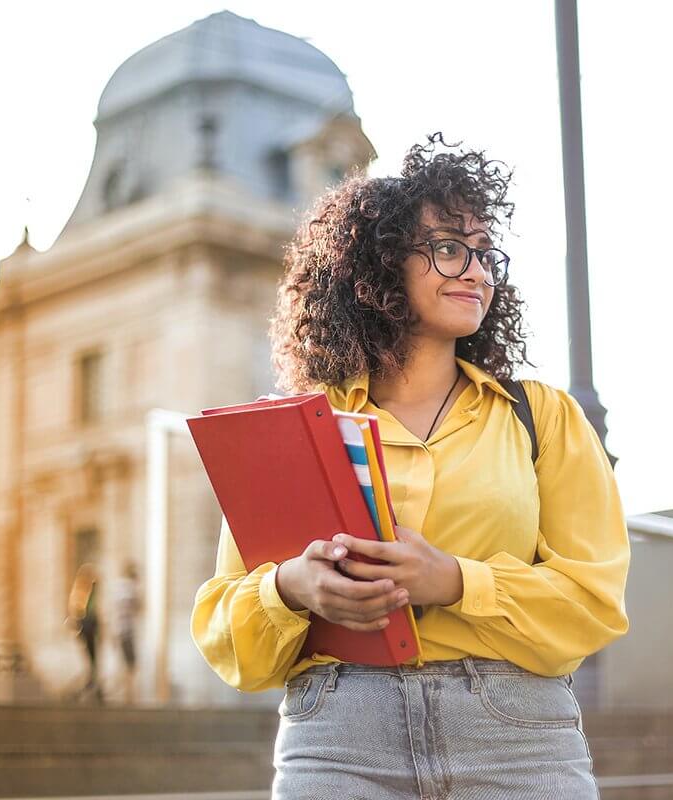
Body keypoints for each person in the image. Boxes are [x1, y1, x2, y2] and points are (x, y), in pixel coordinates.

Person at [191, 133, 630, 799]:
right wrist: (290, 589)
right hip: (337, 736)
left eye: (485, 254)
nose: (478, 271)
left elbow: (593, 604)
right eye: (451, 249)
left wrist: (455, 582)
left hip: (514, 736)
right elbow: (228, 632)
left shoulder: (542, 417)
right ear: (380, 265)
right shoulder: (299, 429)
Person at [67, 563, 102, 703]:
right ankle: (90, 683)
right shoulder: (82, 592)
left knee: (92, 659)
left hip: (89, 627)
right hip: (86, 626)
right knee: (90, 659)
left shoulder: (89, 592)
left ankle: (92, 683)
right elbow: (78, 611)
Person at [114, 561, 142, 704]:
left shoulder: (118, 587)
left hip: (120, 630)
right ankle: (128, 695)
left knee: (127, 664)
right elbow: (136, 606)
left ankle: (127, 694)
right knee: (130, 664)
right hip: (126, 631)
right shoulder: (128, 588)